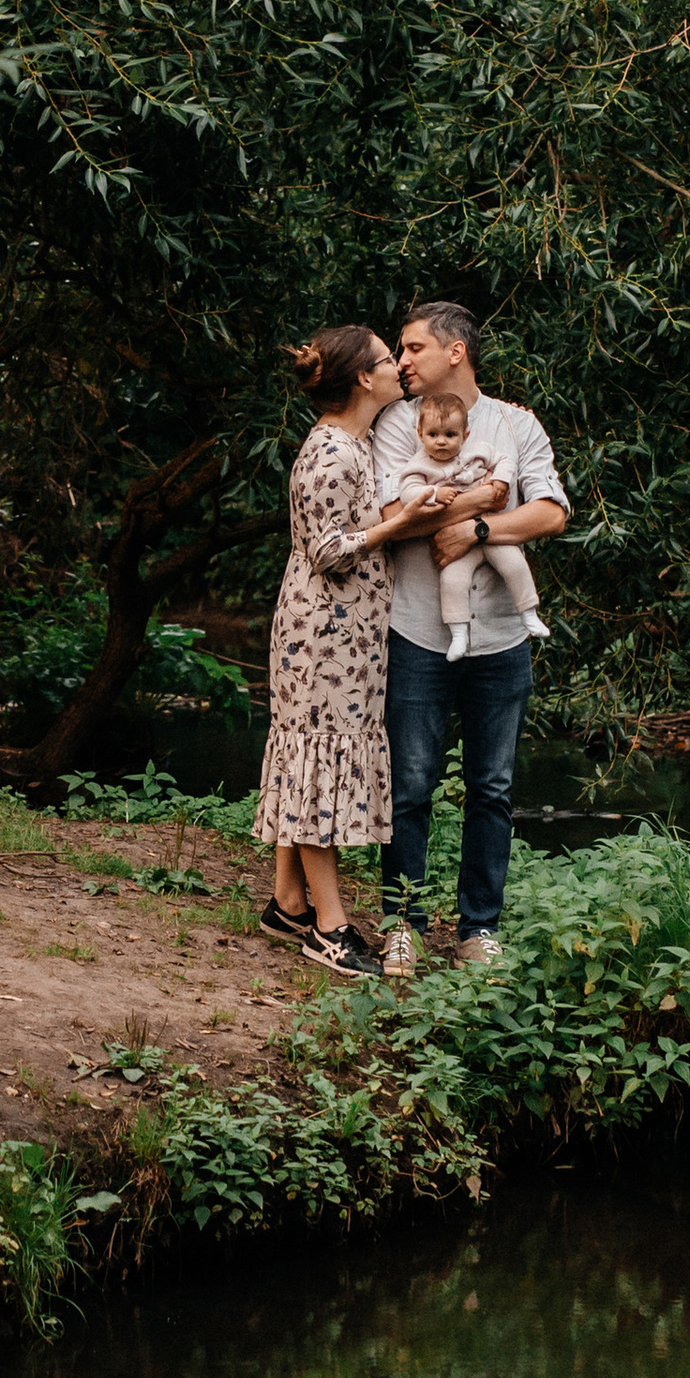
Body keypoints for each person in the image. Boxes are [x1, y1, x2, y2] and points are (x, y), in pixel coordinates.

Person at [372, 301, 570, 978]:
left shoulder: (516, 423)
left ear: (454, 352)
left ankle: (478, 928)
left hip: (502, 641)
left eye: (413, 348)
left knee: (492, 787)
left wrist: (481, 530)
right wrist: (483, 500)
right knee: (411, 783)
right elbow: (396, 517)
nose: (402, 362)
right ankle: (402, 922)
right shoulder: (397, 423)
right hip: (417, 634)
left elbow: (550, 511)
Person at [253, 326, 446, 976]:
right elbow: (328, 551)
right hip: (320, 641)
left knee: (311, 760)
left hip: (350, 640)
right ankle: (329, 929)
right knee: (315, 765)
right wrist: (403, 524)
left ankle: (287, 902)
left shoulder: (356, 447)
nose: (399, 367)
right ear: (365, 379)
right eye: (390, 360)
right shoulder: (329, 452)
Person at [391, 385, 550, 661]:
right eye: (433, 435)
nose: (441, 442)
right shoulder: (420, 465)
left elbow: (506, 460)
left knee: (514, 564)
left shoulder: (478, 451)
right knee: (452, 581)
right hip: (455, 544)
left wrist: (500, 479)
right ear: (420, 435)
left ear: (465, 435)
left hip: (491, 531)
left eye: (450, 435)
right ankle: (459, 634)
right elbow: (407, 492)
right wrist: (433, 494)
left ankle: (528, 613)